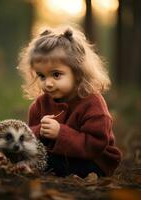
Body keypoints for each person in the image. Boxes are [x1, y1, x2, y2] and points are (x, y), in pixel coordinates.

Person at [17, 26, 122, 178]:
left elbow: (96, 144)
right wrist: (40, 131)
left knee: (46, 163)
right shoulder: (40, 104)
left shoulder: (92, 103)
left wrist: (60, 133)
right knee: (21, 151)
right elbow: (29, 134)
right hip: (59, 156)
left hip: (95, 161)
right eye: (42, 76)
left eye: (56, 74)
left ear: (78, 72)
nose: (48, 83)